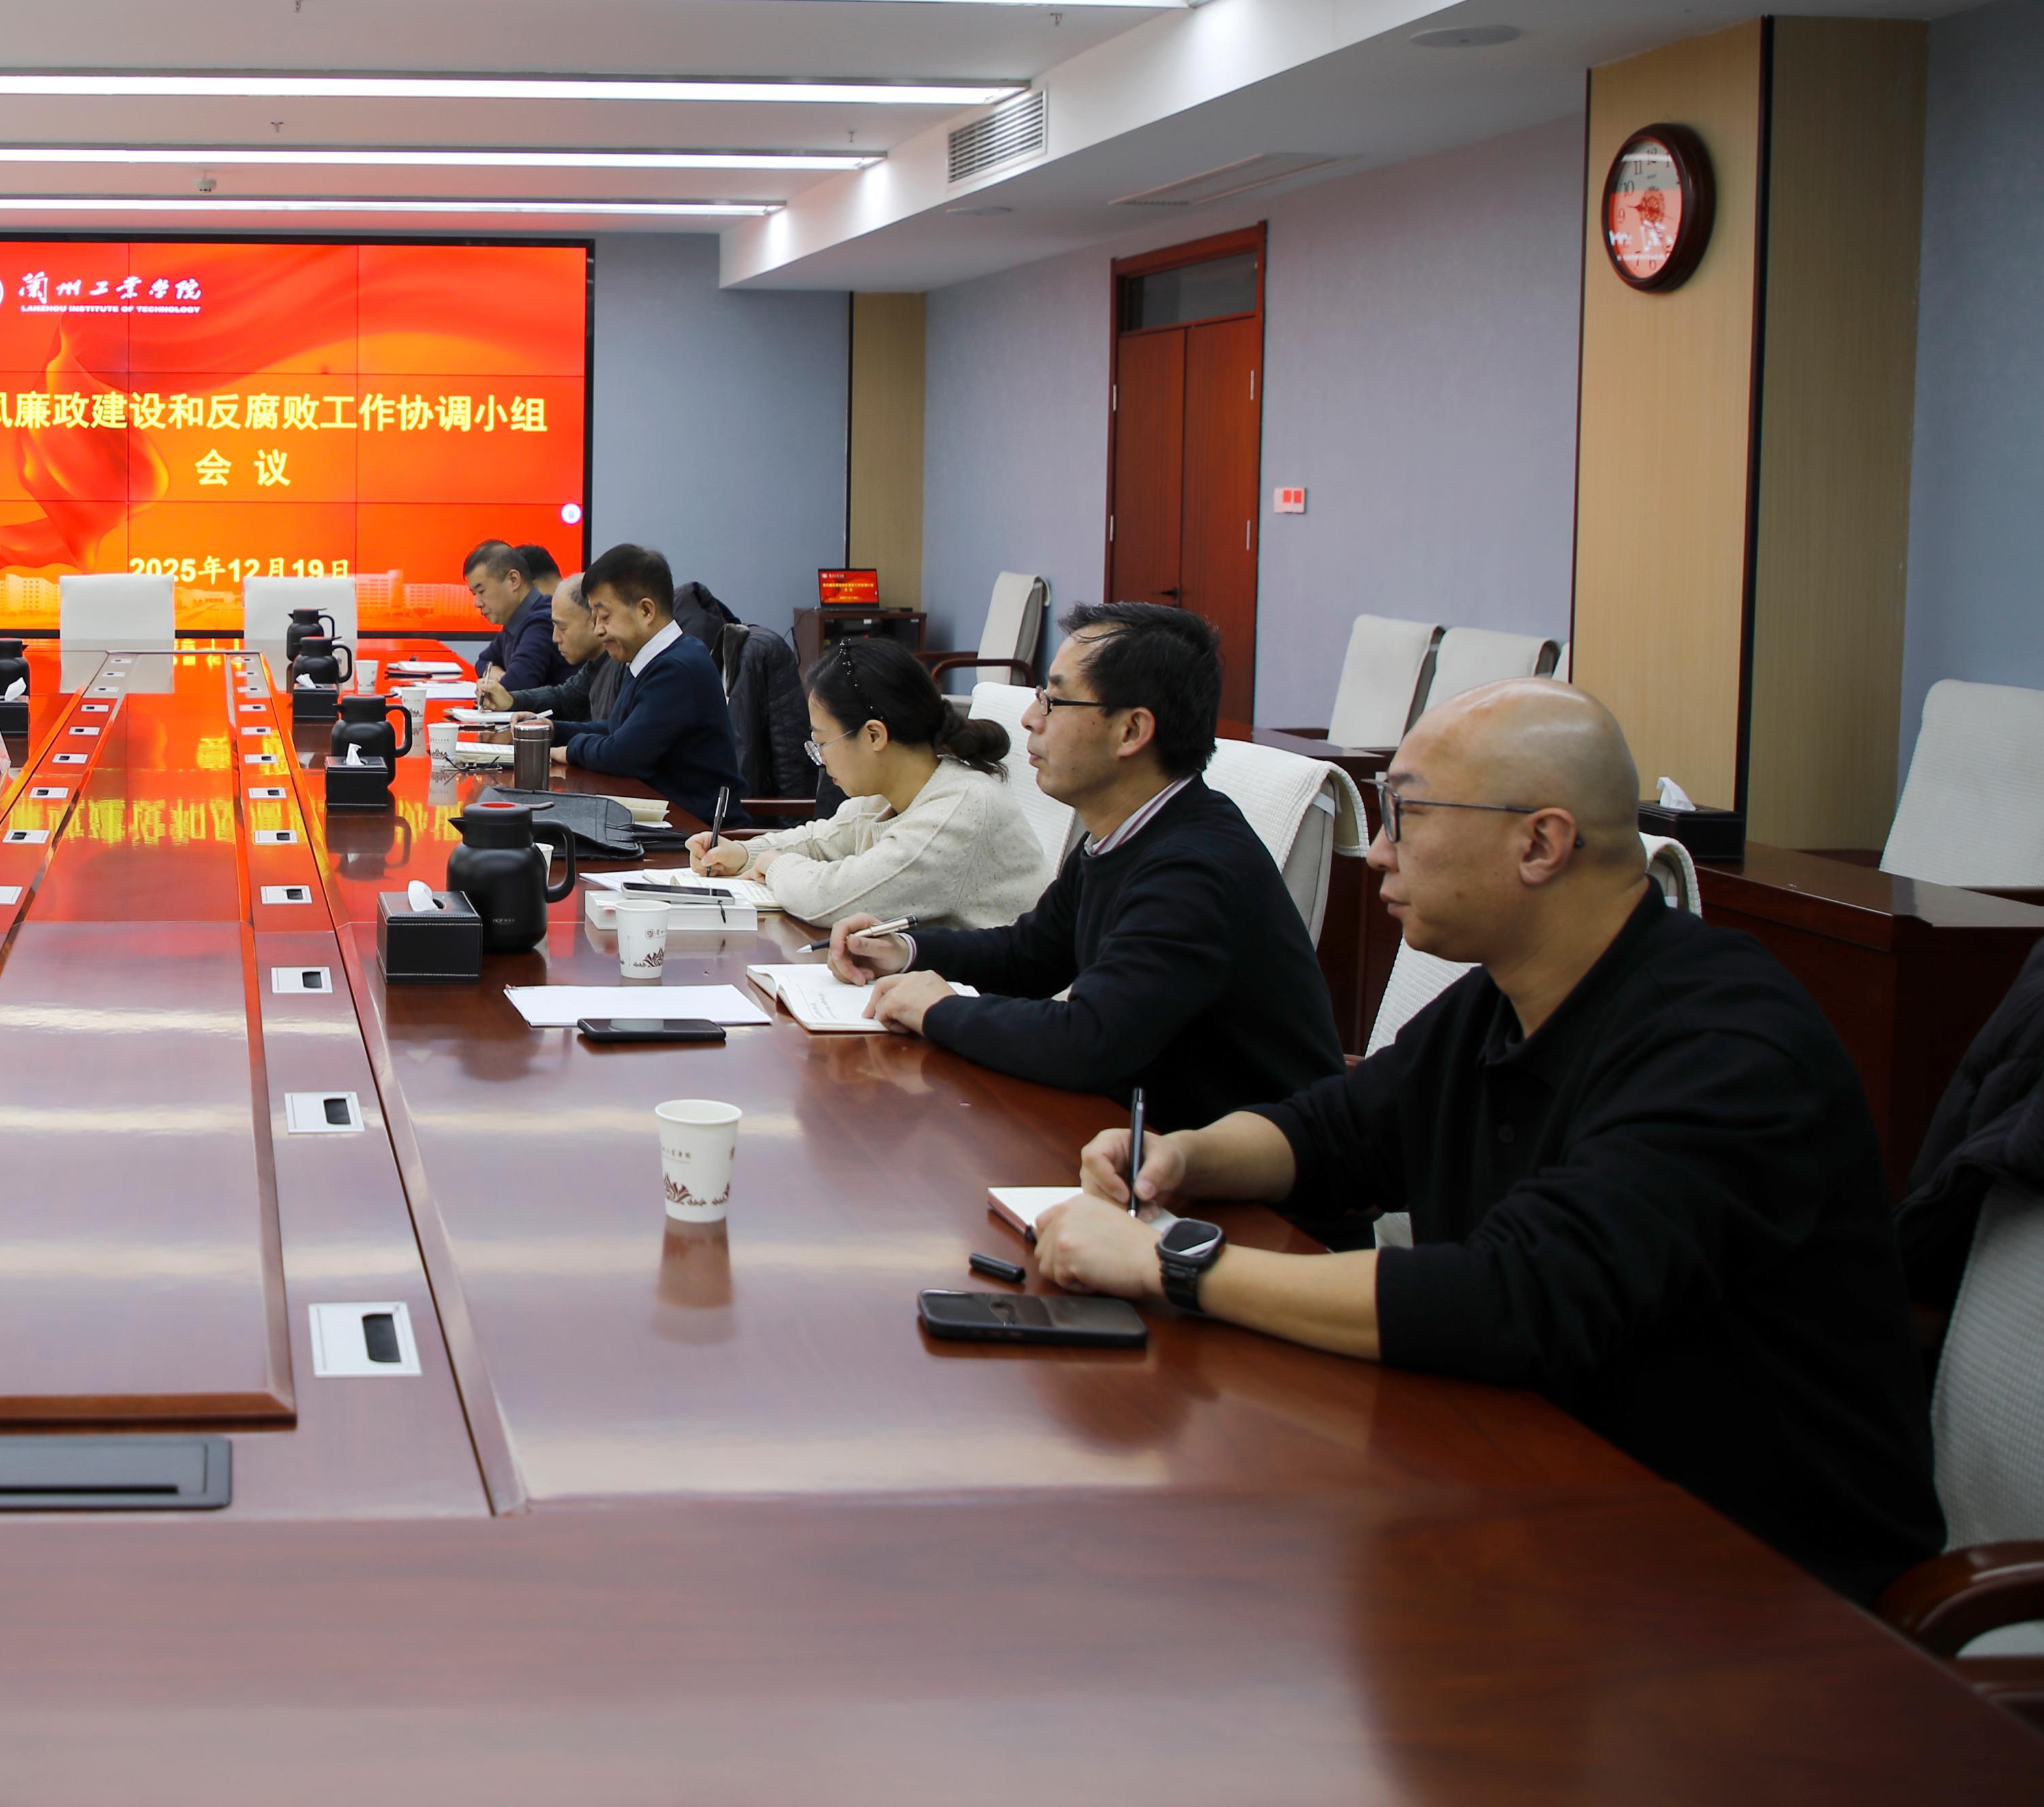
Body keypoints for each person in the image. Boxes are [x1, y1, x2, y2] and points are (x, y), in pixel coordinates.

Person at [1029, 680, 1944, 1605]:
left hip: (1751, 1581)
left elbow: (1514, 1296)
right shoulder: (1506, 996)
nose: (1378, 851)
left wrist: (1170, 1265)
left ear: (1539, 843)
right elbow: (1337, 1127)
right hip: (1544, 1490)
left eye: (1407, 813)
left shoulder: (1723, 1047)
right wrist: (1186, 1156)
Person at [825, 602, 1341, 1132]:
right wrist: (905, 950)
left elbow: (1091, 1039)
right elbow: (1030, 954)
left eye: (1054, 700)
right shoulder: (1123, 833)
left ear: (1131, 730)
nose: (1031, 718)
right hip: (1147, 1143)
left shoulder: (1193, 869)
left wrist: (940, 1009)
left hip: (1249, 1175)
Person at [688, 637, 1052, 931]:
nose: (821, 757)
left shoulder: (960, 810)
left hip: (998, 996)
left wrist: (774, 865)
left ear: (874, 735)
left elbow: (832, 899)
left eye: (822, 742)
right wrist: (744, 853)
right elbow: (822, 840)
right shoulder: (893, 791)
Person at [552, 543, 743, 817]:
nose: (598, 630)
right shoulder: (649, 659)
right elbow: (619, 730)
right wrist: (553, 731)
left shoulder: (677, 669)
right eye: (594, 619)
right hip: (663, 817)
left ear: (646, 611)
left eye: (604, 617)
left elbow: (623, 756)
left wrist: (570, 750)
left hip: (694, 829)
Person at [481, 573, 622, 731]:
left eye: (562, 628)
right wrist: (511, 700)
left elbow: (610, 735)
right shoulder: (596, 665)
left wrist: (553, 731)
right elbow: (564, 698)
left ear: (595, 619)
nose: (555, 638)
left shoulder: (622, 666)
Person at [465, 539, 566, 693]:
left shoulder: (542, 621)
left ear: (513, 580)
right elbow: (484, 660)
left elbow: (514, 688)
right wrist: (492, 672)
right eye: (475, 594)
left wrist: (497, 683)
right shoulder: (516, 620)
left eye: (482, 591)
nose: (477, 603)